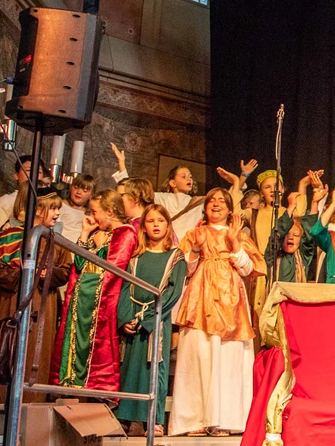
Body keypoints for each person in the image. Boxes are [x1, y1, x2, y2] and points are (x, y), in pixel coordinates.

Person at [170, 189, 263, 437]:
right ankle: (195, 420)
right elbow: (184, 270)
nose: (216, 204)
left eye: (222, 201)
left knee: (228, 357)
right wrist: (198, 249)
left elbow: (249, 269)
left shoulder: (239, 236)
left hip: (230, 299)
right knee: (197, 355)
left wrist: (234, 244)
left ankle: (224, 419)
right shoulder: (194, 234)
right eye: (212, 200)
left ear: (231, 209)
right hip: (200, 297)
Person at [0, 186, 70, 403]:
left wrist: (45, 273)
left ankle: (32, 410)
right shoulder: (9, 237)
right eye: (53, 208)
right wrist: (19, 274)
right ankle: (0, 411)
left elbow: (65, 270)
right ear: (37, 208)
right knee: (8, 353)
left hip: (44, 306)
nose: (57, 213)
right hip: (12, 301)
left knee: (37, 357)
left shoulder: (56, 241)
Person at [114, 205, 188, 437]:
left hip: (156, 321)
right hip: (133, 319)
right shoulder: (136, 257)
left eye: (160, 221)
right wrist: (126, 318)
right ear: (143, 227)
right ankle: (124, 417)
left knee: (154, 367)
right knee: (129, 368)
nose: (156, 225)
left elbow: (171, 294)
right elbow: (125, 288)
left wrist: (147, 318)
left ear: (168, 225)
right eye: (151, 221)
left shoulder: (175, 258)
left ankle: (153, 420)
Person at [54, 189, 138, 390]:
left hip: (99, 300)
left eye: (94, 211)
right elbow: (80, 263)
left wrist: (101, 249)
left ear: (110, 211)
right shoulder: (96, 233)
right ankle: (72, 382)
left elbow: (113, 269)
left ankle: (96, 386)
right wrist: (84, 233)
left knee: (96, 348)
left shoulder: (125, 233)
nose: (92, 216)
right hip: (82, 297)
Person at [110, 143, 255, 241]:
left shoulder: (197, 201)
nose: (189, 179)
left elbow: (227, 198)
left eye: (190, 177)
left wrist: (242, 177)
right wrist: (122, 164)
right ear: (172, 182)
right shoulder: (162, 198)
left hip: (190, 244)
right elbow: (134, 191)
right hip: (166, 243)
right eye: (183, 176)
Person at [0, 155, 40, 230]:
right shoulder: (5, 202)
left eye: (39, 172)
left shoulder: (54, 202)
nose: (34, 175)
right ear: (16, 175)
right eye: (28, 171)